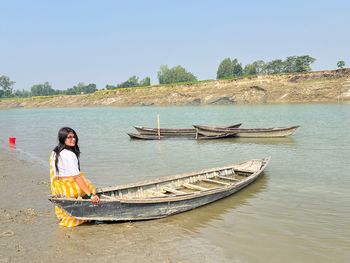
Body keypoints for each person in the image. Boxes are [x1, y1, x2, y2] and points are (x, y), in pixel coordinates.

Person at [49, 127, 99, 227]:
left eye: (74, 137)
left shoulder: (55, 152)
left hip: (60, 187)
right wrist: (90, 195)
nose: (73, 139)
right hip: (69, 188)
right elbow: (77, 177)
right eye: (69, 137)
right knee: (90, 187)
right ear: (63, 138)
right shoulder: (69, 154)